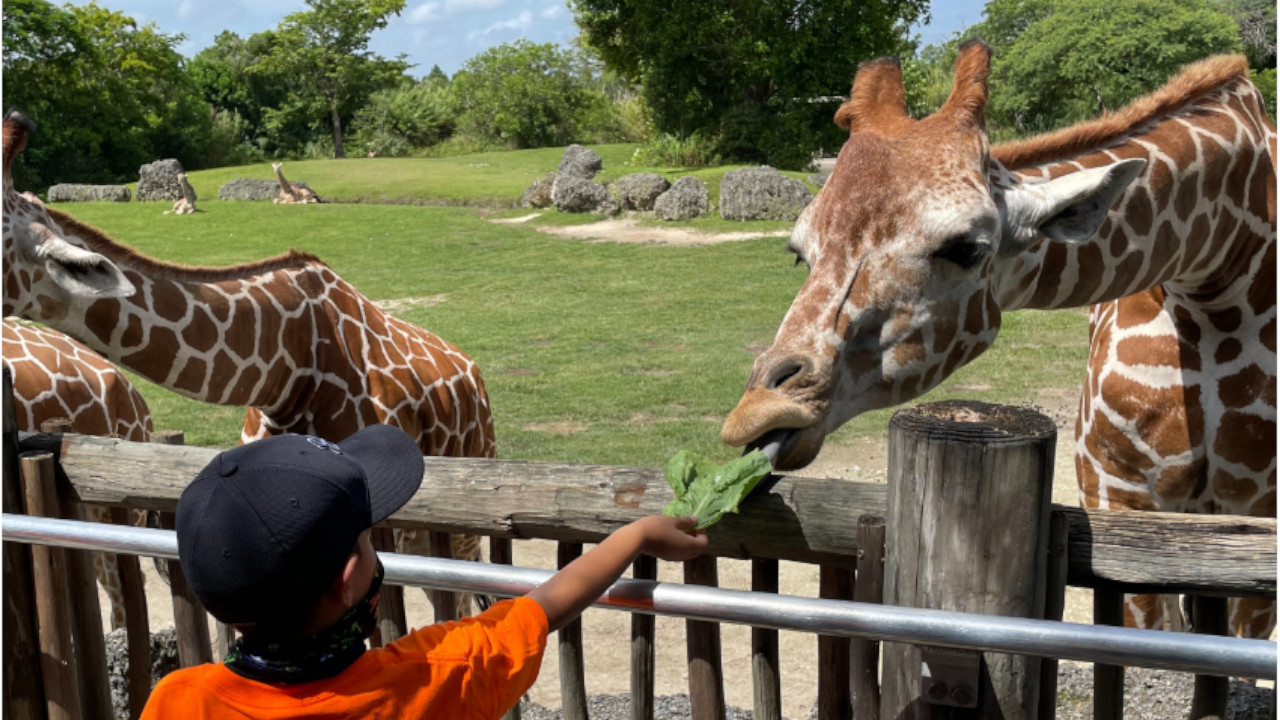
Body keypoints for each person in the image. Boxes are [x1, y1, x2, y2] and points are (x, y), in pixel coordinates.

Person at [140, 424, 708, 719]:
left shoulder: (177, 701)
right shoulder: (431, 680)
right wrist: (636, 536)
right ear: (346, 583)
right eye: (366, 540)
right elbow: (544, 607)